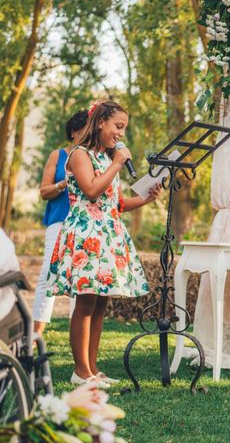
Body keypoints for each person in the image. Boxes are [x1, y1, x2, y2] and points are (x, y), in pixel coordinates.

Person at [46, 100, 161, 387]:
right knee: (85, 303)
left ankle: (93, 369)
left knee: (99, 305)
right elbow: (92, 190)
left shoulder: (108, 159)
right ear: (100, 123)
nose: (121, 134)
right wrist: (118, 162)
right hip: (86, 235)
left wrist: (145, 198)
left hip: (108, 234)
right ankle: (80, 371)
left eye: (124, 129)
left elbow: (115, 203)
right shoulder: (79, 154)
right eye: (118, 127)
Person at [32, 110, 88, 336]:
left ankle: (76, 335)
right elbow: (44, 192)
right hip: (58, 222)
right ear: (74, 132)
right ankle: (36, 333)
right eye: (85, 131)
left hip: (85, 225)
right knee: (49, 274)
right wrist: (64, 183)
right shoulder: (58, 156)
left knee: (81, 279)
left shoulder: (93, 158)